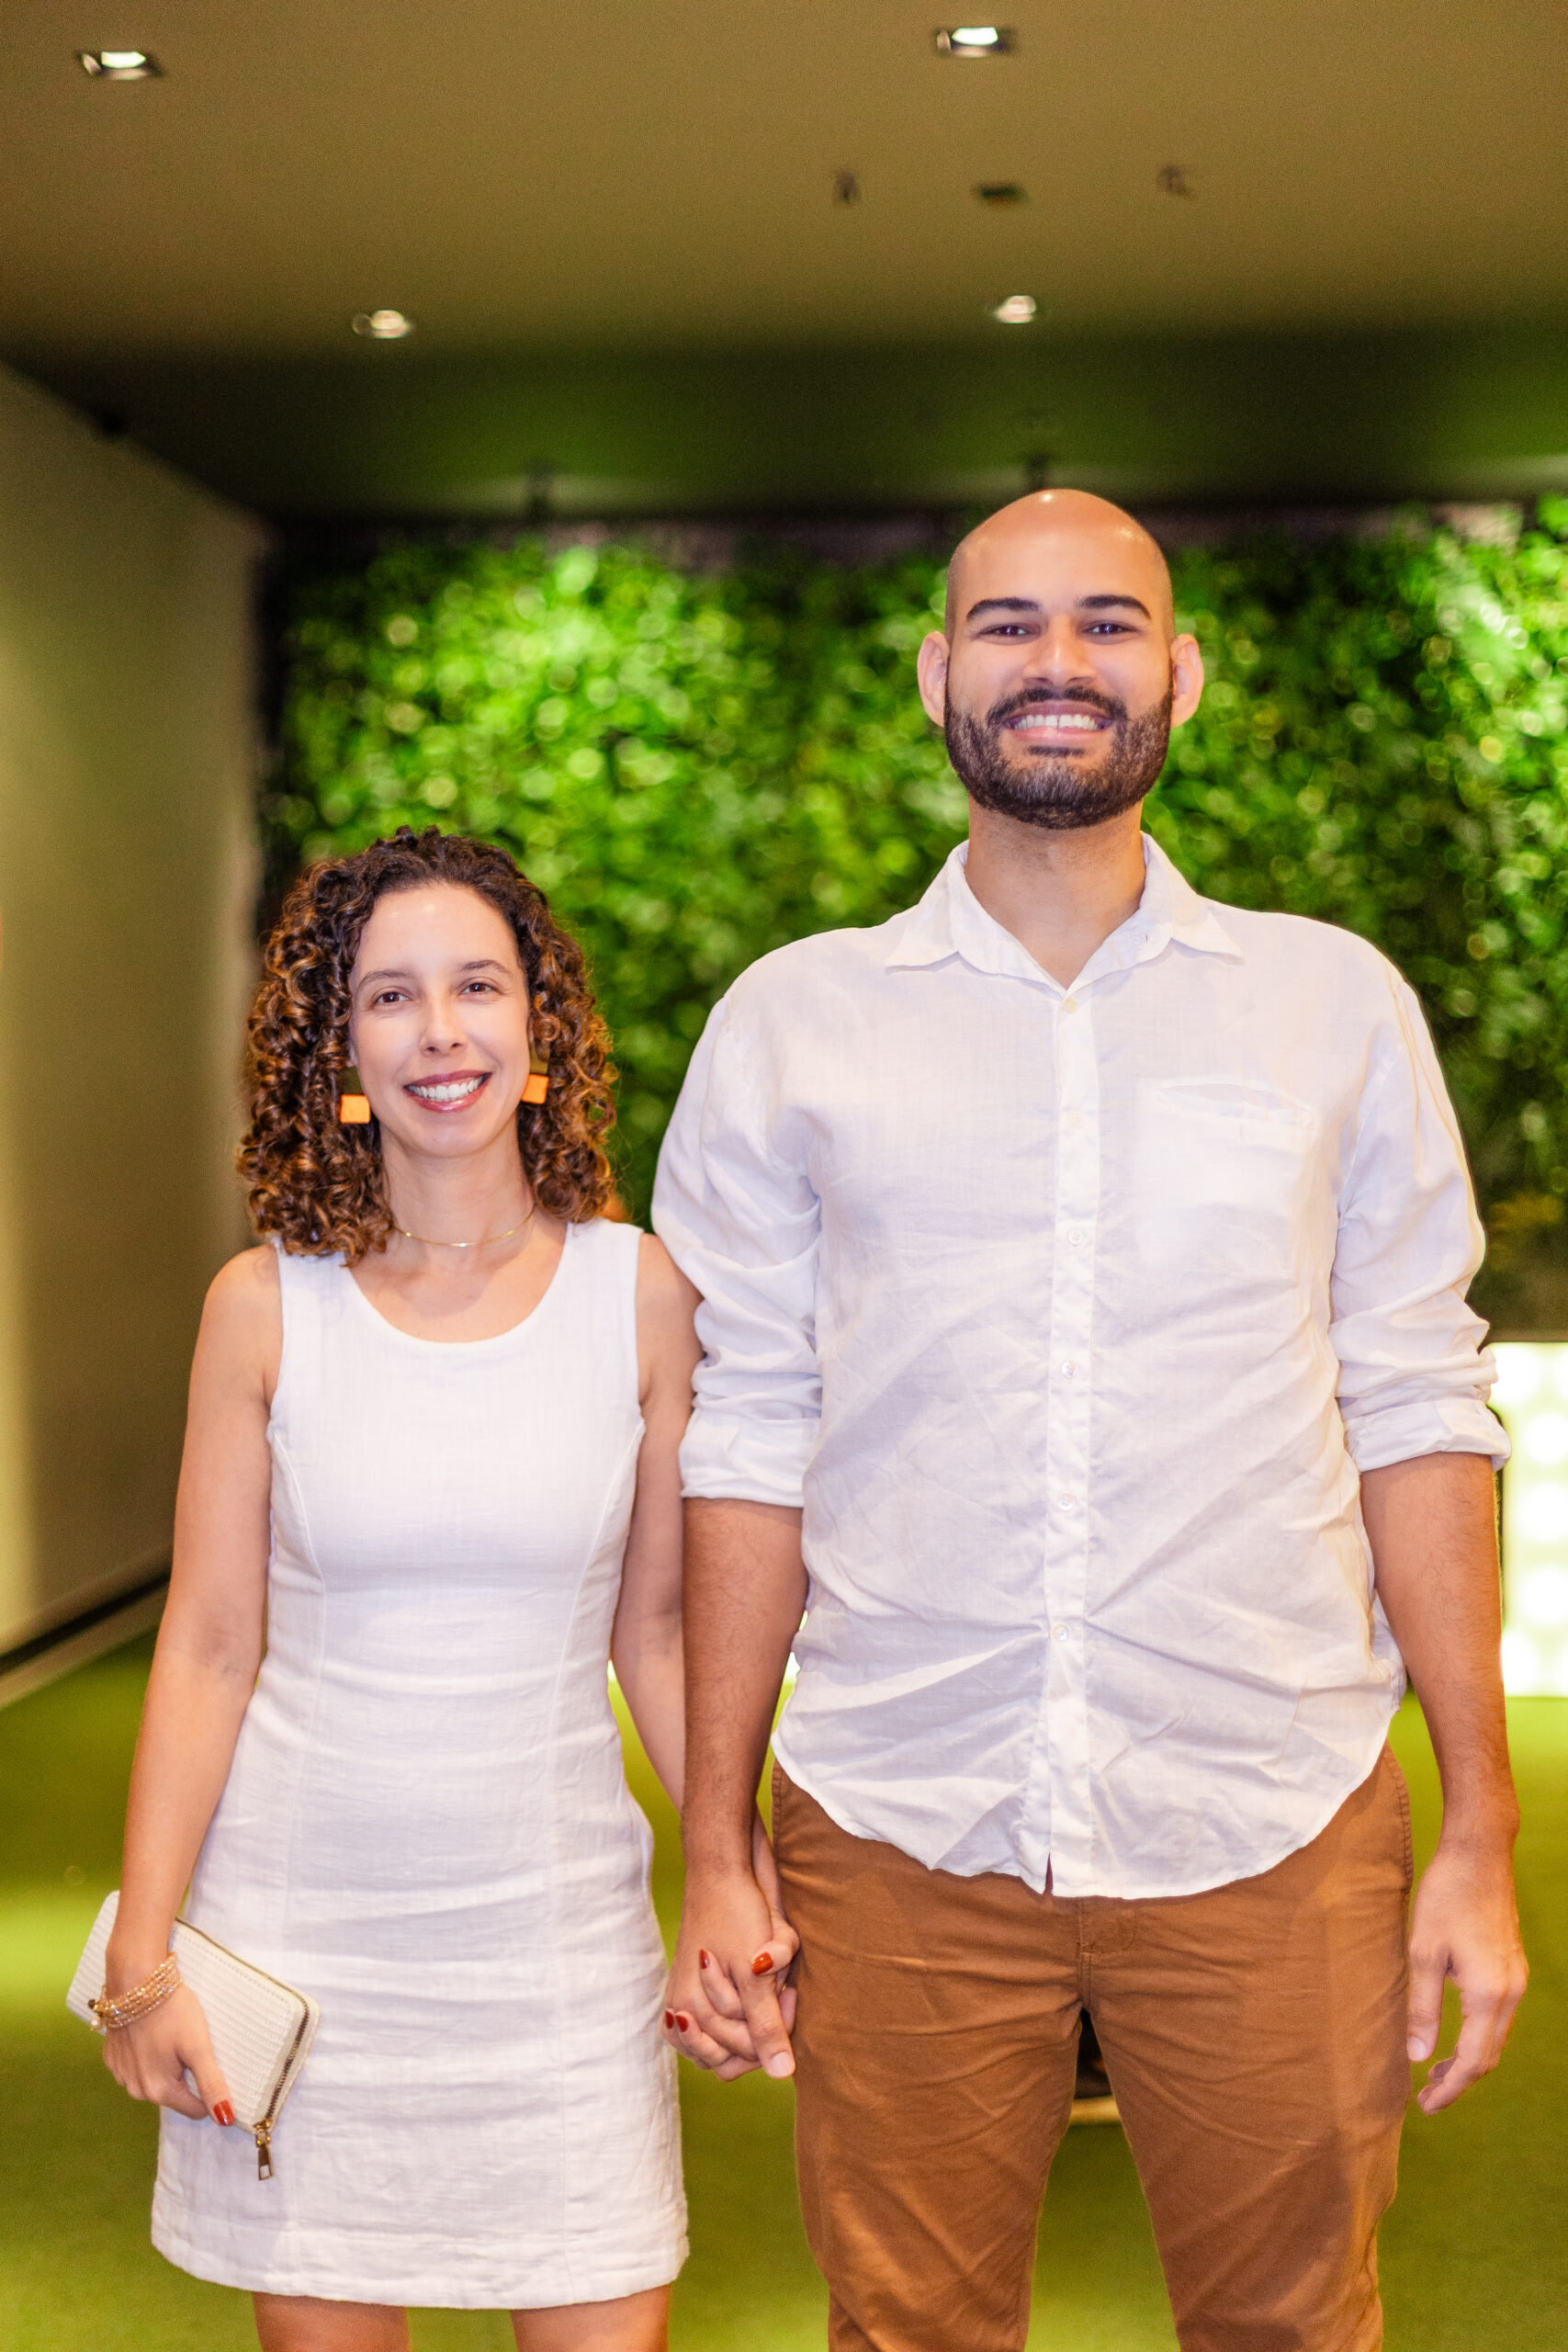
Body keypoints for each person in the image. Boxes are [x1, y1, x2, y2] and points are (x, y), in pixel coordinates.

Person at [653, 492, 1529, 2352]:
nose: (1057, 661)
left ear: (1178, 674)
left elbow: (1414, 1401)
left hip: (1270, 1803)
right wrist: (717, 1839)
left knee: (1294, 2324)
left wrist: (1478, 1817)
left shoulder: (1330, 1006)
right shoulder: (795, 1023)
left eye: (1106, 623)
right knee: (904, 2330)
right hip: (898, 1807)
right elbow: (747, 1435)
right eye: (1008, 624)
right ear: (935, 674)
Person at [96, 827, 792, 2352]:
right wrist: (141, 1957)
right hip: (305, 1941)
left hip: (553, 1952)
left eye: (477, 986)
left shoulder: (641, 1294)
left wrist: (730, 1868)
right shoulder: (263, 1306)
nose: (440, 1032)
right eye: (389, 996)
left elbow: (658, 1633)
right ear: (338, 1047)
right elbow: (206, 1647)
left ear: (540, 1025)